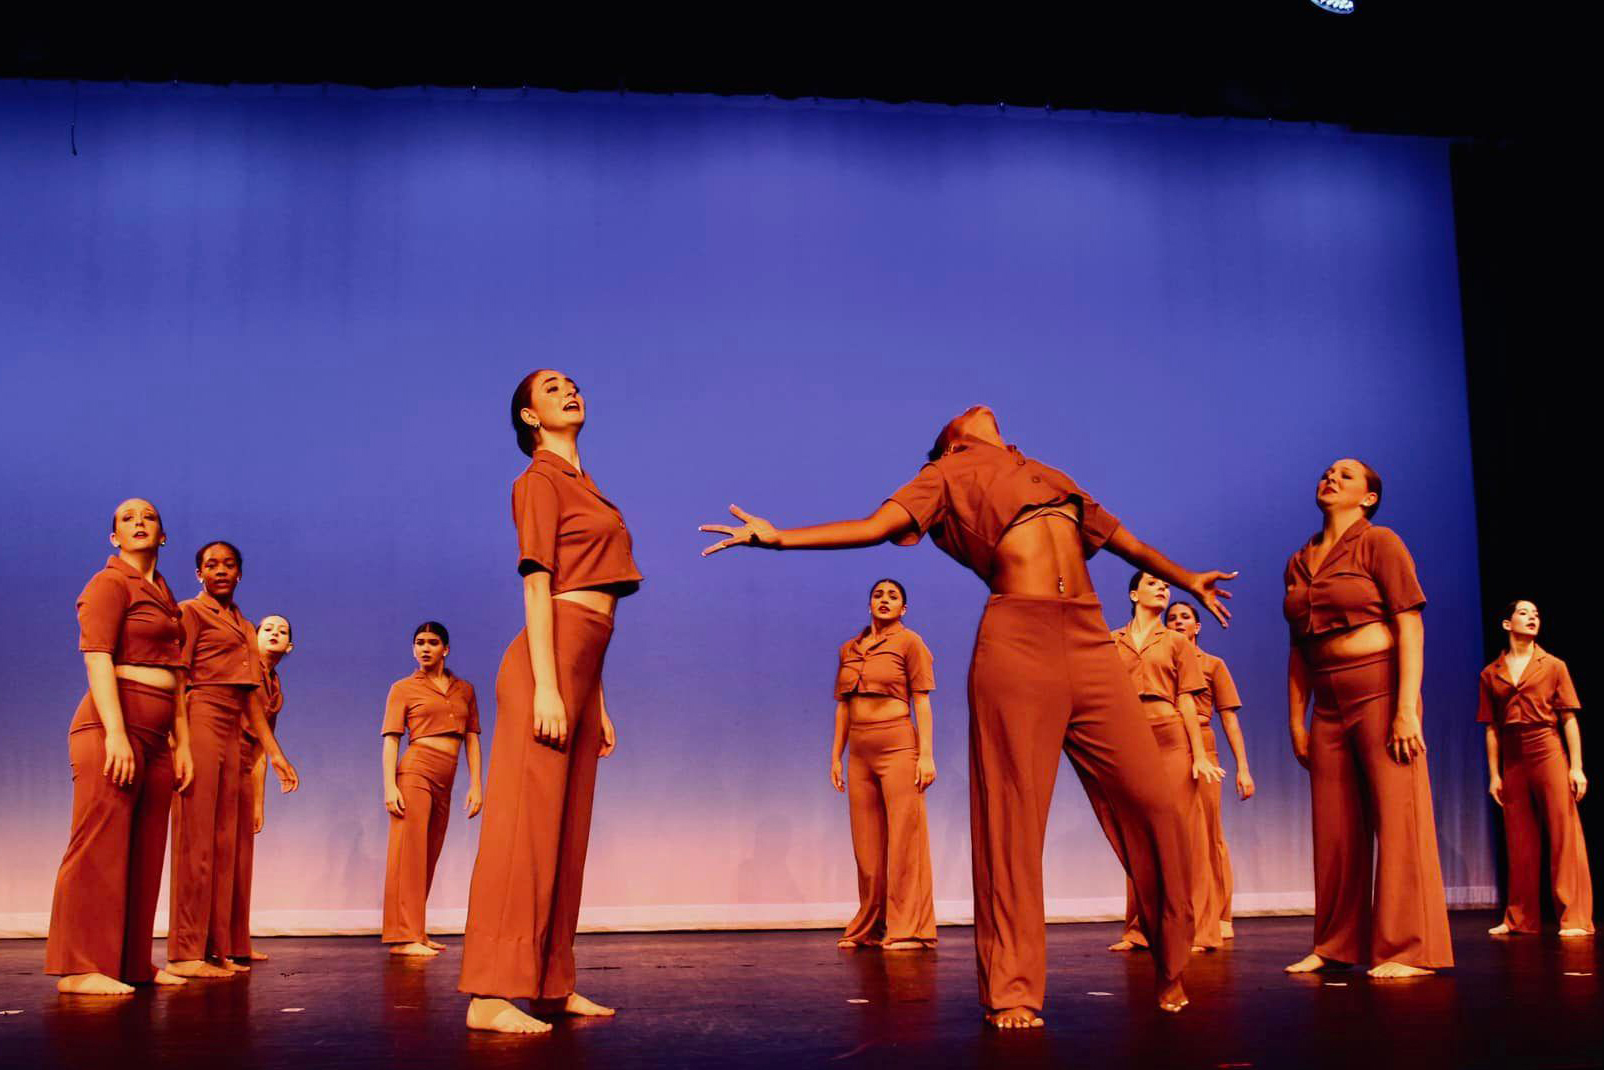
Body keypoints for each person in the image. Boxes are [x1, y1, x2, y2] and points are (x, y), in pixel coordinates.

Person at [700, 404, 1237, 1024]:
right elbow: (876, 526)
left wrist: (1188, 577)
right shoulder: (946, 475)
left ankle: (1170, 963)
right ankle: (1011, 991)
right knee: (1012, 820)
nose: (980, 407)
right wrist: (779, 537)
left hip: (1089, 639)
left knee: (1157, 800)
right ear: (950, 442)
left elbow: (1127, 543)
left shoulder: (1047, 472)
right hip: (1018, 640)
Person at [460, 371, 639, 1035]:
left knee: (567, 835)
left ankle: (551, 984)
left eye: (573, 383)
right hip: (547, 664)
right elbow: (539, 589)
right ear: (530, 417)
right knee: (524, 833)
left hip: (582, 669)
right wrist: (546, 684)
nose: (569, 390)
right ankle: (490, 992)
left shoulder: (586, 486)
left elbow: (595, 610)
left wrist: (597, 697)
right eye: (551, 387)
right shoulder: (537, 480)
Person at [1284, 459, 1453, 978]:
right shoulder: (1299, 559)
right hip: (1328, 703)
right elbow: (1298, 646)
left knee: (1398, 819)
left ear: (1369, 497)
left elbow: (1409, 625)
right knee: (1334, 828)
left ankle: (1409, 949)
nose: (1331, 477)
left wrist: (1406, 708)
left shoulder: (1381, 543)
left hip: (1380, 689)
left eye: (1347, 475)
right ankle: (1335, 944)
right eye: (1326, 472)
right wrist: (1298, 720)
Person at [45, 499, 193, 994]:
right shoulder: (108, 583)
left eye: (148, 517)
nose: (138, 523)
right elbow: (97, 658)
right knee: (98, 846)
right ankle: (80, 966)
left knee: (146, 850)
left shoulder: (166, 594)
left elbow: (176, 674)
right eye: (127, 519)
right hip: (111, 726)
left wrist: (182, 745)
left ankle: (131, 962)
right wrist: (115, 732)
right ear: (114, 538)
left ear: (163, 535)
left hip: (157, 736)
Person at [168, 541, 298, 978]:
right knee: (196, 840)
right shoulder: (190, 612)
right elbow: (178, 679)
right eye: (210, 565)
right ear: (198, 573)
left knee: (223, 844)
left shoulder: (244, 625)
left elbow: (249, 699)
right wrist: (180, 742)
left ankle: (216, 947)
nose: (220, 570)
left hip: (232, 727)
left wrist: (277, 756)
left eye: (228, 564)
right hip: (201, 716)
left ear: (240, 573)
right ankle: (186, 952)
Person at [1106, 573, 1223, 955]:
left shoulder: (1175, 642)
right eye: (1153, 583)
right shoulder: (1111, 640)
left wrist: (1200, 754)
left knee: (1184, 835)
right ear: (1133, 593)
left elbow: (1187, 699)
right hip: (1128, 739)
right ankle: (1141, 929)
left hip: (1170, 737)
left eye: (1165, 586)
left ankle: (1199, 930)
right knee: (1138, 834)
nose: (1162, 588)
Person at [831, 578, 938, 951]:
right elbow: (843, 706)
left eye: (893, 596)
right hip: (860, 750)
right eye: (878, 595)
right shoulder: (850, 648)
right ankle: (871, 924)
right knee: (866, 845)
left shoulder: (910, 643)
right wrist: (836, 756)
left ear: (903, 609)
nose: (885, 600)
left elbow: (921, 701)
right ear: (869, 603)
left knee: (904, 839)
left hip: (897, 745)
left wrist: (926, 754)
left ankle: (910, 928)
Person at [1479, 599, 1592, 937]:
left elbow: (1569, 718)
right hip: (1513, 756)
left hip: (1547, 749)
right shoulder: (1490, 673)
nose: (1532, 618)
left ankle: (1574, 917)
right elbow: (1491, 728)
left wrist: (1577, 767)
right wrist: (1494, 774)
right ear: (1506, 624)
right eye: (1524, 613)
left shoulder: (1554, 665)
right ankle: (1519, 918)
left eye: (1537, 614)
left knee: (1563, 834)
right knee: (1519, 840)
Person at [382, 621, 484, 956]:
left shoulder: (464, 689)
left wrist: (476, 785)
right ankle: (402, 937)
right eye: (419, 642)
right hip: (416, 770)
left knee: (429, 852)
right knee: (408, 853)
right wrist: (389, 787)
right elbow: (391, 740)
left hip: (448, 775)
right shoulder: (403, 688)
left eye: (432, 642)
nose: (425, 648)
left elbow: (471, 738)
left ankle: (417, 931)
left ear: (446, 649)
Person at [1165, 599, 1254, 940]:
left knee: (1208, 832)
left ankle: (1219, 914)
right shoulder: (1160, 660)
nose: (1177, 622)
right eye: (1171, 618)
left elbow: (1230, 718)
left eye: (1184, 617)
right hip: (1165, 740)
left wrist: (1243, 768)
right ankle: (1177, 915)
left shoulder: (1213, 665)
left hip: (1202, 742)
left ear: (1197, 626)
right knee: (1170, 834)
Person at [230, 613, 293, 964]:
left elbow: (263, 747)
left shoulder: (275, 685)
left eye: (281, 631)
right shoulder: (244, 671)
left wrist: (259, 802)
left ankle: (237, 941)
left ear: (290, 646)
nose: (274, 633)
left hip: (246, 766)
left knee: (242, 858)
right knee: (223, 857)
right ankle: (216, 943)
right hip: (224, 757)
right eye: (267, 628)